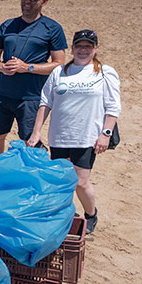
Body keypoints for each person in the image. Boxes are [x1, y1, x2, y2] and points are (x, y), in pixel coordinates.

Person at [27, 30, 120, 234]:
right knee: (61, 180)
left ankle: (91, 214)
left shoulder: (104, 72)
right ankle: (64, 216)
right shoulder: (59, 72)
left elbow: (113, 107)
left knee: (80, 182)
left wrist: (105, 134)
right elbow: (45, 102)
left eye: (88, 46)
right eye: (79, 45)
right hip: (59, 136)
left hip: (87, 137)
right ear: (72, 48)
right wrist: (36, 132)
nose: (83, 50)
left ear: (95, 49)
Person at [0, 0, 67, 159]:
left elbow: (58, 64)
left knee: (29, 140)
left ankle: (28, 173)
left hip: (31, 98)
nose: (27, 1)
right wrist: (2, 67)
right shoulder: (7, 25)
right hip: (2, 94)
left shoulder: (52, 28)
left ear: (44, 1)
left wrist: (27, 67)